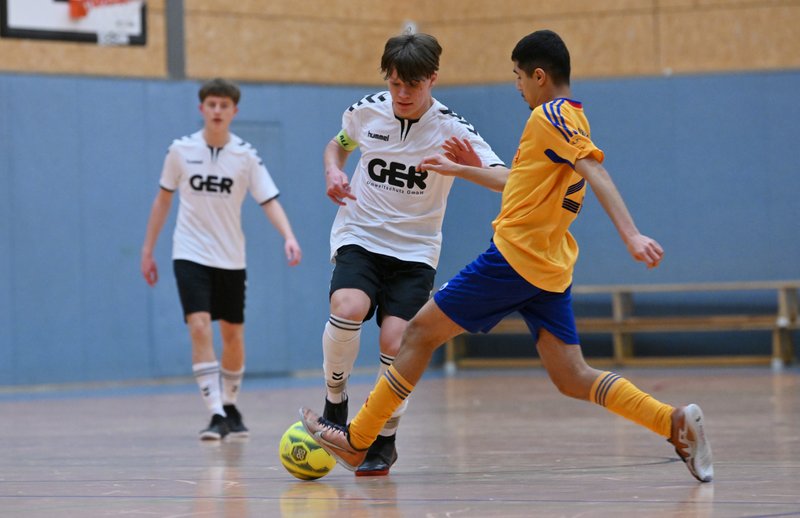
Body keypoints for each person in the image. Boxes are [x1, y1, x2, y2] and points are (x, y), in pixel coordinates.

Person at [301, 29, 714, 483]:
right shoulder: (575, 117)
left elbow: (594, 170)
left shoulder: (548, 116)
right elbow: (520, 181)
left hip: (513, 259)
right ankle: (671, 422)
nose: (517, 85)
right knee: (572, 376)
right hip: (550, 266)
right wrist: (461, 168)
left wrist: (631, 235)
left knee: (416, 334)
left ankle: (359, 440)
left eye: (518, 76)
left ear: (538, 76)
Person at [319, 32, 507, 476]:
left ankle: (385, 437)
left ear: (432, 79)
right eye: (395, 84)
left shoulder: (452, 128)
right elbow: (339, 144)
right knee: (347, 307)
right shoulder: (366, 111)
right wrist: (332, 170)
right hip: (361, 234)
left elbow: (507, 179)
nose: (402, 94)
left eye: (413, 85)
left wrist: (465, 167)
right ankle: (335, 401)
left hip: (415, 251)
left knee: (396, 341)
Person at [141, 78, 302, 440]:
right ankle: (214, 412)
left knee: (232, 334)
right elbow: (162, 201)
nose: (217, 111)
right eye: (211, 104)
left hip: (230, 257)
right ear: (201, 109)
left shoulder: (246, 155)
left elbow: (268, 200)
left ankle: (230, 404)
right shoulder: (180, 151)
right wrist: (148, 249)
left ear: (234, 111)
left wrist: (288, 236)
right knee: (199, 325)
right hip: (189, 253)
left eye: (223, 105)